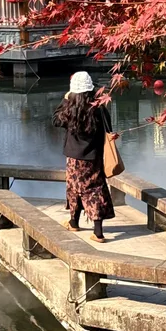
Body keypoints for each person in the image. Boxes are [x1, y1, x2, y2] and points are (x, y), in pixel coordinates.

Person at [52, 71, 115, 243]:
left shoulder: (71, 109)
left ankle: (74, 222)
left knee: (74, 189)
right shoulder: (99, 109)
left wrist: (65, 99)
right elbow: (109, 128)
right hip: (94, 157)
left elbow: (55, 120)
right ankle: (98, 232)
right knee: (95, 190)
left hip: (74, 157)